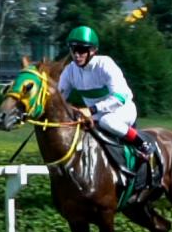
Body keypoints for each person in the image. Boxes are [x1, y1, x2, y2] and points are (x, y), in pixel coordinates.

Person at [57, 25, 154, 163]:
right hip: (95, 115)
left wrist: (92, 109)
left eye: (82, 50)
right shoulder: (69, 71)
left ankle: (142, 144)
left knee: (106, 121)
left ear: (93, 50)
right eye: (73, 49)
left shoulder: (105, 64)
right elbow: (59, 99)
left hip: (122, 109)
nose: (77, 55)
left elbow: (120, 97)